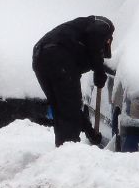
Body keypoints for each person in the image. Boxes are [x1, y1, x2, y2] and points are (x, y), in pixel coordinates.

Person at [31, 15, 114, 147]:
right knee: (68, 114)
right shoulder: (104, 25)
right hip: (57, 57)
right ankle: (68, 154)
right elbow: (94, 36)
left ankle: (63, 151)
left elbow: (72, 107)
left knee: (61, 109)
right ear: (108, 40)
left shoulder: (77, 40)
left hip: (39, 57)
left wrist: (90, 132)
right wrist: (99, 70)